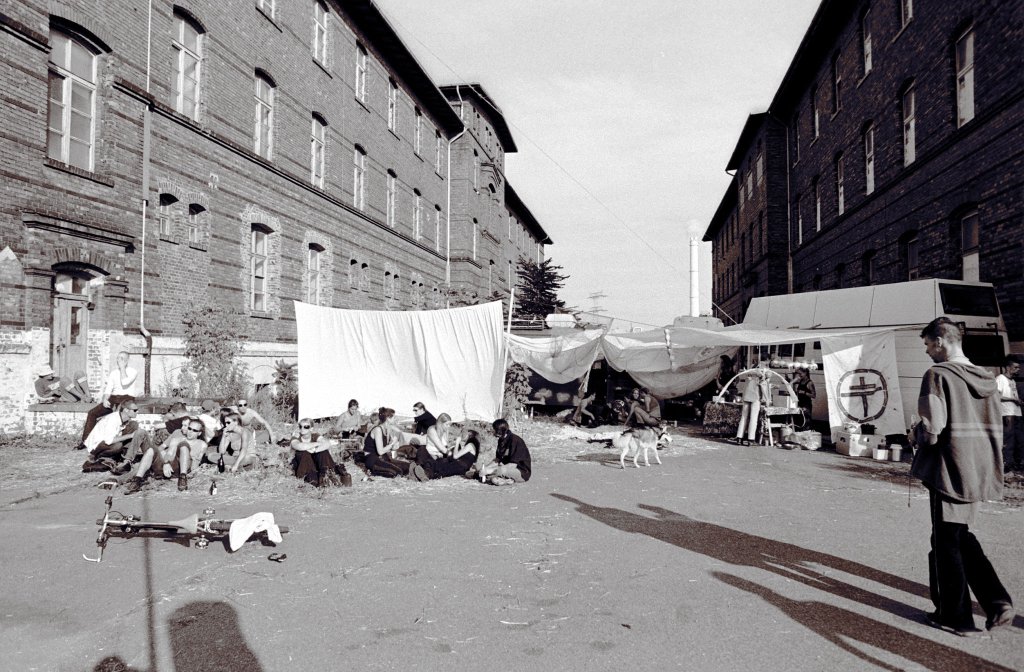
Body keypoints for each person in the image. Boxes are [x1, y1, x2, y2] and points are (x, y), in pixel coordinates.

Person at [909, 317, 1014, 636]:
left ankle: (955, 617)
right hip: (978, 466)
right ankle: (996, 602)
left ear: (940, 341)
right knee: (956, 534)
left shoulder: (937, 375)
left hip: (948, 467)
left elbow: (932, 431)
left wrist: (914, 434)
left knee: (946, 541)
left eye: (928, 344)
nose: (927, 351)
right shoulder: (987, 378)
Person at [123, 417, 208, 493]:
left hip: (184, 470)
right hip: (170, 468)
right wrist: (166, 463)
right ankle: (137, 481)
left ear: (199, 433)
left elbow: (197, 463)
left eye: (194, 430)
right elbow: (170, 452)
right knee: (151, 449)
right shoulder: (177, 439)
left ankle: (183, 478)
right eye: (189, 428)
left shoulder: (202, 444)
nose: (190, 432)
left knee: (184, 445)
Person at [79, 351, 138, 448]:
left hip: (126, 398)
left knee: (118, 416)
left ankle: (120, 443)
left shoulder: (133, 371)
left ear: (127, 360)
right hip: (113, 398)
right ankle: (86, 441)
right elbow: (108, 389)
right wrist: (105, 399)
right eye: (118, 358)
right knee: (92, 413)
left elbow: (124, 382)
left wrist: (122, 368)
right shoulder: (113, 373)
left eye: (122, 358)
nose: (119, 360)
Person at [83, 399, 151, 473]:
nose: (137, 412)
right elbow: (109, 441)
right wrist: (130, 435)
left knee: (133, 425)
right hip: (96, 446)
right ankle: (96, 456)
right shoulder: (113, 420)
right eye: (135, 410)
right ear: (126, 410)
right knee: (118, 446)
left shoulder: (123, 418)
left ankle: (124, 456)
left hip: (107, 441)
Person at [290, 418, 350, 487]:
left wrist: (315, 450)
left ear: (311, 429)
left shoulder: (315, 435)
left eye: (306, 427)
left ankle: (326, 475)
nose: (302, 429)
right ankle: (314, 479)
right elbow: (299, 446)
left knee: (323, 452)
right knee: (304, 453)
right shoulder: (296, 436)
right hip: (302, 466)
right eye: (300, 426)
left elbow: (326, 444)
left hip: (314, 463)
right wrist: (317, 444)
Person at [363, 407, 413, 478]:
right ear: (387, 418)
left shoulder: (388, 429)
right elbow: (380, 451)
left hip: (383, 457)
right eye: (393, 417)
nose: (395, 419)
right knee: (397, 473)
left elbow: (389, 448)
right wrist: (392, 444)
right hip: (372, 458)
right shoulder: (378, 430)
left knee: (407, 467)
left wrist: (394, 445)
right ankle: (372, 471)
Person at [479, 418, 531, 485]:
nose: (493, 433)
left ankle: (502, 478)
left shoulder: (515, 441)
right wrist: (486, 468)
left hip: (520, 471)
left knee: (499, 471)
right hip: (506, 467)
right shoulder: (501, 440)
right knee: (488, 472)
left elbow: (513, 465)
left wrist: (491, 470)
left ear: (500, 431)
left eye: (495, 430)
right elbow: (497, 460)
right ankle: (504, 479)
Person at [995, 356, 1023, 472]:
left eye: (1018, 368)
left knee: (1019, 440)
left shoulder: (1012, 381)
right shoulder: (1000, 379)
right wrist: (1013, 399)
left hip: (1016, 413)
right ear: (1007, 367)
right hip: (1007, 413)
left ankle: (1016, 463)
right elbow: (996, 396)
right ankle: (1007, 464)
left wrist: (1017, 401)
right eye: (1015, 367)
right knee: (1008, 440)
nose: (1018, 370)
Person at [733, 365, 769, 446]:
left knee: (744, 417)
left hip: (746, 397)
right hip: (755, 397)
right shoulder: (761, 375)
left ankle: (739, 438)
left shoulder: (749, 373)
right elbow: (763, 388)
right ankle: (750, 439)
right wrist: (766, 399)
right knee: (753, 418)